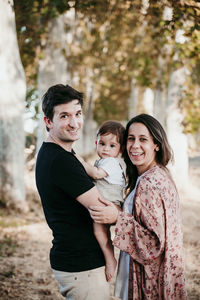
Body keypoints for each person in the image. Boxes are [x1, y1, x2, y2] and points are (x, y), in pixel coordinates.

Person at [89, 114, 188, 300]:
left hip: (149, 278)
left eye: (143, 139)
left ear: (156, 144)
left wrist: (117, 218)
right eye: (130, 139)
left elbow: (154, 243)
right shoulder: (154, 175)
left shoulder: (151, 183)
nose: (135, 145)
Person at [35, 84, 112, 300]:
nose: (74, 122)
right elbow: (103, 208)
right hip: (81, 266)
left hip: (78, 262)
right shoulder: (60, 161)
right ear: (48, 122)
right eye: (65, 116)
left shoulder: (60, 154)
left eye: (77, 113)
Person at [76, 120, 126, 281]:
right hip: (105, 201)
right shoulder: (105, 160)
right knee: (99, 231)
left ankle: (110, 258)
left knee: (100, 231)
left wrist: (80, 161)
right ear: (96, 143)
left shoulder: (112, 162)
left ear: (120, 149)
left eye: (112, 145)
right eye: (102, 143)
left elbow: (96, 174)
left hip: (110, 203)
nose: (105, 148)